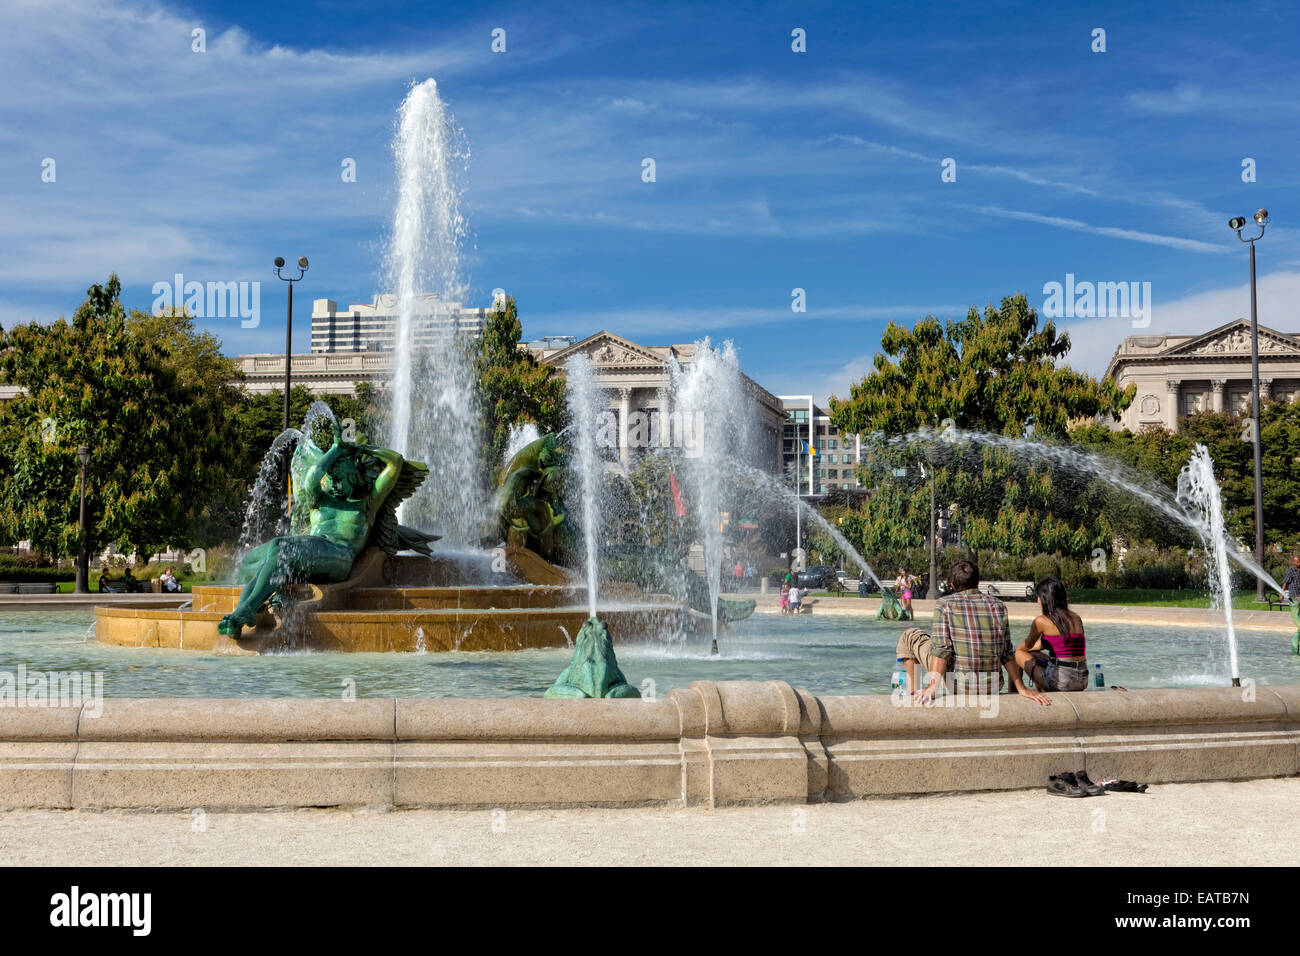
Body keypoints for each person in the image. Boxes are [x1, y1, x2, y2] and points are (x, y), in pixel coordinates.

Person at [895, 559, 1048, 705]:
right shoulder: (998, 606)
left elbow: (942, 650)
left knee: (910, 636)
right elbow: (1006, 653)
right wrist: (1021, 688)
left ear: (952, 585)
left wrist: (933, 687)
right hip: (991, 686)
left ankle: (913, 695)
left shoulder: (944, 605)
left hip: (958, 686)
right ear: (977, 582)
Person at [1013, 577, 1089, 692]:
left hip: (1062, 682)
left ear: (1044, 598)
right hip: (1082, 680)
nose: (1037, 600)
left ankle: (1014, 693)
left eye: (1038, 596)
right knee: (1034, 654)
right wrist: (1032, 651)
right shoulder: (1076, 618)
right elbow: (1045, 645)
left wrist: (1018, 650)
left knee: (1017, 654)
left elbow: (1023, 648)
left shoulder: (1041, 621)